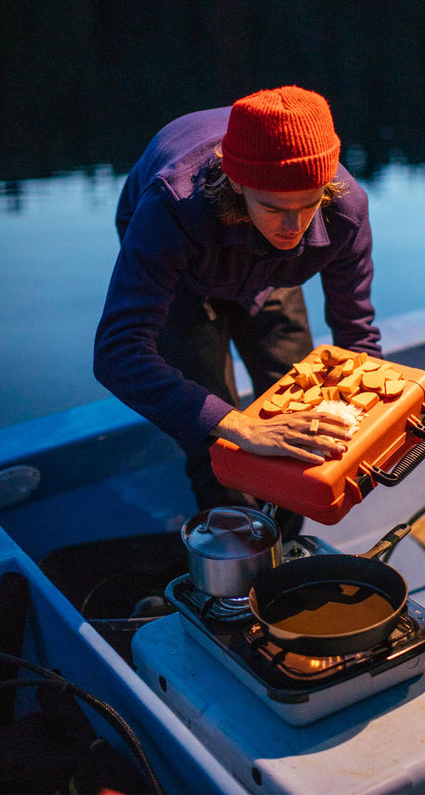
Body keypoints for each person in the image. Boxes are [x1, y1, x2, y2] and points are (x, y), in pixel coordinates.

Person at [94, 85, 382, 538]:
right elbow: (117, 352)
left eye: (309, 205)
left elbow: (358, 339)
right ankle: (234, 567)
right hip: (185, 272)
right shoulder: (172, 204)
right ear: (238, 182)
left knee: (300, 401)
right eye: (274, 207)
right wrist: (238, 427)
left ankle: (282, 549)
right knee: (217, 436)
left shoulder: (345, 212)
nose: (293, 227)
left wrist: (368, 428)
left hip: (270, 277)